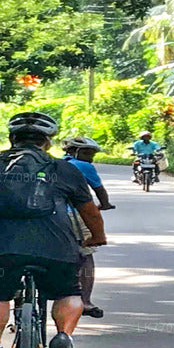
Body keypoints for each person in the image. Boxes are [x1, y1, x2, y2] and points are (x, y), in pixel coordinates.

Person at [0, 112, 106, 348]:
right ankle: (62, 338)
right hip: (56, 250)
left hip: (0, 248)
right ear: (48, 142)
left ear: (12, 138)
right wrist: (97, 237)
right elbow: (91, 212)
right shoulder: (64, 169)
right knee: (68, 292)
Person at [61, 136, 113, 320]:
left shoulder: (56, 164)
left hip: (53, 215)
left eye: (92, 153)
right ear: (74, 152)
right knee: (86, 254)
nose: (90, 157)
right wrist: (105, 204)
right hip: (75, 214)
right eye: (86, 153)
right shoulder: (84, 167)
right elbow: (98, 189)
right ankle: (86, 301)